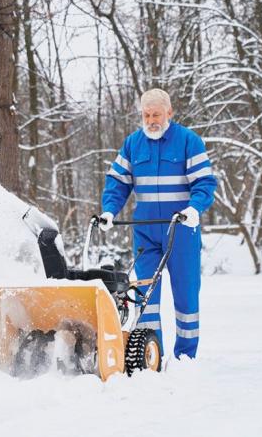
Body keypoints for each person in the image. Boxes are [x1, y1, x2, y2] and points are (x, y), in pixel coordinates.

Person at [99, 88, 217, 360]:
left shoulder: (188, 141)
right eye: (146, 114)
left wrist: (194, 208)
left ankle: (185, 357)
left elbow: (204, 182)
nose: (152, 120)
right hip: (146, 231)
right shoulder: (133, 144)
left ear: (169, 113)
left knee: (186, 294)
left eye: (157, 114)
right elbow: (117, 182)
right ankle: (152, 354)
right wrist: (109, 211)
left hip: (181, 229)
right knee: (144, 295)